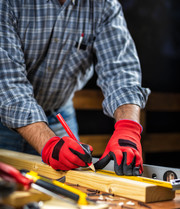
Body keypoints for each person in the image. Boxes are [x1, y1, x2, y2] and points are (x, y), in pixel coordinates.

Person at [0, 0, 150, 177]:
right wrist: (48, 143)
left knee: (75, 185)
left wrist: (128, 128)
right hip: (3, 119)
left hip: (59, 115)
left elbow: (120, 69)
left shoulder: (104, 6)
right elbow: (8, 84)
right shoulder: (8, 3)